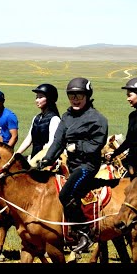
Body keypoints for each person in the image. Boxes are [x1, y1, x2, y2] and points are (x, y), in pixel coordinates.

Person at [38, 77, 108, 254]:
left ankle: (85, 232)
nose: (75, 99)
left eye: (79, 95)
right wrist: (47, 159)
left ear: (87, 95)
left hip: (87, 166)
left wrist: (77, 146)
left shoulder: (97, 119)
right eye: (71, 95)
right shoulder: (67, 116)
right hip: (70, 165)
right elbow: (58, 141)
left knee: (66, 194)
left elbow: (97, 144)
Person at [104, 77, 137, 176]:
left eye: (130, 95)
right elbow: (129, 140)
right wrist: (114, 154)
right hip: (131, 162)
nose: (128, 99)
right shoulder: (132, 115)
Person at [15, 83, 61, 168]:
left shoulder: (55, 119)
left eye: (40, 97)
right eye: (36, 97)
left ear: (49, 99)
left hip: (46, 161)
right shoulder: (36, 118)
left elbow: (51, 144)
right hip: (34, 157)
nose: (37, 100)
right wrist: (16, 154)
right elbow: (29, 139)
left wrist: (40, 160)